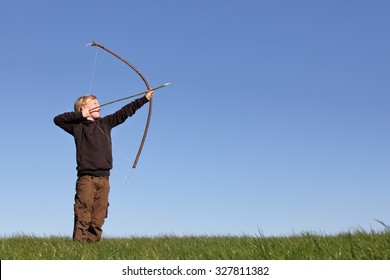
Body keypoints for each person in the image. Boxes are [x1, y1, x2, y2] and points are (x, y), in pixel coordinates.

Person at [53, 90, 154, 242]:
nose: (99, 107)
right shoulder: (77, 127)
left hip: (104, 179)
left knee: (99, 216)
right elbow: (58, 120)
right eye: (95, 104)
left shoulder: (106, 123)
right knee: (83, 212)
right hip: (86, 179)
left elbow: (124, 112)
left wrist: (144, 99)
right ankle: (78, 247)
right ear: (83, 108)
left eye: (99, 104)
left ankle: (92, 247)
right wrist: (81, 116)